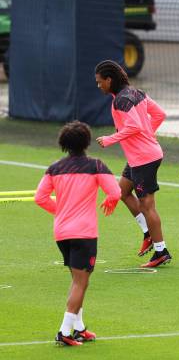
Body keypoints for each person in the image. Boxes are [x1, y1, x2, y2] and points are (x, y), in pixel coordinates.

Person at [35, 121, 121, 346]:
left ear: (63, 144)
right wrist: (111, 200)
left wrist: (61, 211)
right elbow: (115, 191)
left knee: (78, 281)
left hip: (62, 232)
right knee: (80, 283)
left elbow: (40, 198)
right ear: (87, 142)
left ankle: (79, 328)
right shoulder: (96, 165)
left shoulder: (54, 168)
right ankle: (64, 332)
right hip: (84, 232)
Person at [94, 60, 172, 268]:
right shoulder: (136, 92)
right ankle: (148, 233)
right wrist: (148, 134)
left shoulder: (121, 100)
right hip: (141, 156)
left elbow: (135, 126)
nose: (98, 85)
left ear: (109, 80)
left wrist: (111, 139)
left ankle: (161, 251)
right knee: (121, 192)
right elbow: (159, 114)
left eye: (100, 82)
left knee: (148, 206)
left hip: (144, 159)